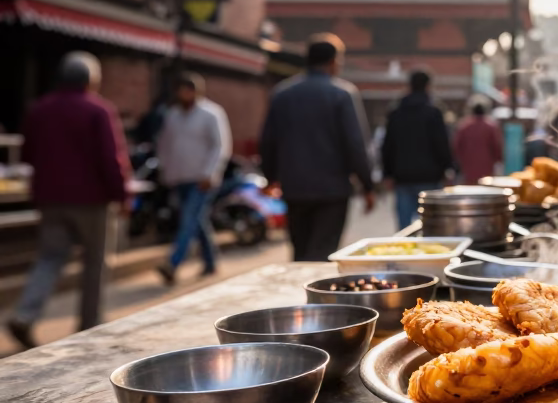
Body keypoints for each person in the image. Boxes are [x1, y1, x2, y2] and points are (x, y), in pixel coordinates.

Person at [7, 52, 130, 347]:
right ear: (91, 80)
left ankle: (24, 314)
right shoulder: (98, 110)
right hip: (92, 199)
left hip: (50, 197)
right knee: (95, 262)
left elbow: (28, 154)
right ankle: (89, 324)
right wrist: (121, 194)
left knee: (49, 258)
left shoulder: (39, 109)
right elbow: (110, 159)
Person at [259, 34, 376, 261]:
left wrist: (270, 177)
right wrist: (367, 184)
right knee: (324, 250)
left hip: (294, 187)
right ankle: (314, 295)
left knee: (300, 250)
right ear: (333, 61)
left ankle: (300, 291)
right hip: (332, 189)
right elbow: (355, 143)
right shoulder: (342, 94)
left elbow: (268, 140)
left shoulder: (282, 94)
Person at [155, 73, 230, 284]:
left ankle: (173, 262)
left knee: (188, 219)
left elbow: (220, 146)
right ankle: (210, 262)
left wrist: (210, 173)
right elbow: (165, 146)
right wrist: (166, 171)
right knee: (196, 219)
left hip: (202, 179)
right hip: (180, 177)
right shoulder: (173, 115)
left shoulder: (211, 113)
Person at [381, 70, 454, 230]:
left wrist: (387, 173)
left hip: (402, 176)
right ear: (428, 86)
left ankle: (404, 253)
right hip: (430, 176)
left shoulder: (396, 112)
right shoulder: (434, 112)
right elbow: (441, 143)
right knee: (432, 226)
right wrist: (448, 168)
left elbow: (388, 145)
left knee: (404, 228)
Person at [454, 101, 504, 184]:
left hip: (468, 168)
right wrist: (498, 160)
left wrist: (461, 162)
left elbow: (457, 147)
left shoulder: (464, 126)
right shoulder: (491, 127)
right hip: (487, 166)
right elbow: (497, 147)